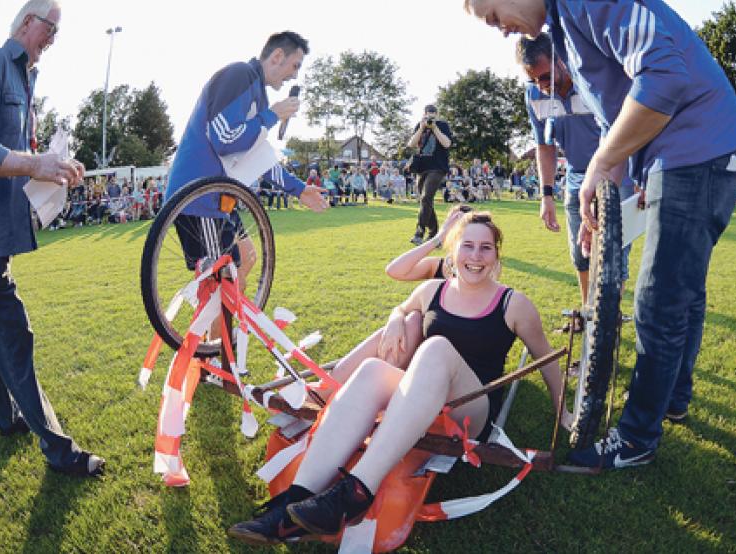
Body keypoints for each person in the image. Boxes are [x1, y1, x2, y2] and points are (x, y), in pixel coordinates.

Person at [468, 0, 736, 471]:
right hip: (682, 154)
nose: (499, 30)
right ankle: (673, 398)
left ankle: (637, 438)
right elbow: (616, 119)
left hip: (695, 148)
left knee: (659, 300)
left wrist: (600, 165)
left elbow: (663, 74)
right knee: (682, 291)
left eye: (494, 14)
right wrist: (601, 192)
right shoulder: (562, 26)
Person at [228, 211, 573, 544]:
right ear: (453, 249)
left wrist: (563, 411)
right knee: (371, 371)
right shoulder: (433, 290)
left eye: (486, 247)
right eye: (467, 245)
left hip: (470, 410)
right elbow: (404, 308)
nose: (476, 256)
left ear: (497, 254)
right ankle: (292, 506)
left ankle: (358, 491)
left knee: (436, 347)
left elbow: (546, 358)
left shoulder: (512, 303)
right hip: (422, 401)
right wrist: (396, 317)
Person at [0, 0, 105, 476]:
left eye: (58, 31)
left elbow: (9, 156)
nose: (53, 36)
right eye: (50, 26)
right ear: (27, 22)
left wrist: (48, 167)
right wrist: (35, 163)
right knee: (15, 334)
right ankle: (59, 451)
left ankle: (8, 417)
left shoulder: (25, 79)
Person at [165, 31, 328, 282]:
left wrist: (299, 189)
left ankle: (221, 321)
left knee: (246, 257)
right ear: (276, 56)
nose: (295, 75)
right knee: (220, 278)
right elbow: (225, 138)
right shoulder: (240, 74)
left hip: (218, 197)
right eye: (295, 65)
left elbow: (256, 157)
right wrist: (272, 116)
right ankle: (216, 322)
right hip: (199, 196)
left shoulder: (258, 94)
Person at [518, 33, 634, 331]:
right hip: (574, 178)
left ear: (561, 60)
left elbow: (626, 129)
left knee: (612, 255)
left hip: (616, 173)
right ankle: (587, 314)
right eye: (534, 80)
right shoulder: (534, 96)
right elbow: (545, 147)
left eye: (546, 76)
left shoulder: (593, 81)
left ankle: (606, 325)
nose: (542, 85)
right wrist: (546, 195)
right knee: (580, 253)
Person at [407, 104, 453, 245]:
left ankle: (419, 233)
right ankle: (434, 236)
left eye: (433, 114)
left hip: (438, 168)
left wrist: (435, 128)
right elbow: (411, 144)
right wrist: (422, 128)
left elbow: (446, 144)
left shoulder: (443, 125)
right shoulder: (420, 126)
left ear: (437, 114)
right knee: (425, 201)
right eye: (428, 114)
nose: (431, 117)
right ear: (424, 114)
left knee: (426, 197)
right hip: (422, 168)